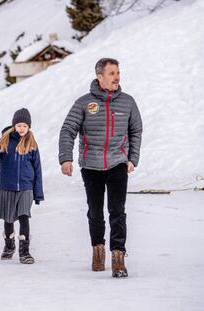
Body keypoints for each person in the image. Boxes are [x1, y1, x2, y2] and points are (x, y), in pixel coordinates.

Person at [58, 58, 142, 277]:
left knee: (117, 211)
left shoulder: (127, 102)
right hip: (91, 166)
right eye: (112, 73)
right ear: (100, 77)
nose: (117, 77)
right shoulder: (84, 103)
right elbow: (68, 130)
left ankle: (118, 256)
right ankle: (98, 250)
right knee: (95, 212)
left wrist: (132, 158)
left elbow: (135, 131)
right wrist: (65, 159)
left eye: (118, 72)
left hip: (117, 164)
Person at [0, 108, 44, 264]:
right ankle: (9, 245)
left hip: (26, 188)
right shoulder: (5, 140)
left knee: (23, 216)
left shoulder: (32, 144)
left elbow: (38, 170)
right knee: (8, 219)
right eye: (19, 125)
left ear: (29, 127)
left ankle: (25, 251)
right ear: (14, 125)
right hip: (7, 185)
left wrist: (38, 192)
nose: (22, 128)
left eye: (25, 126)